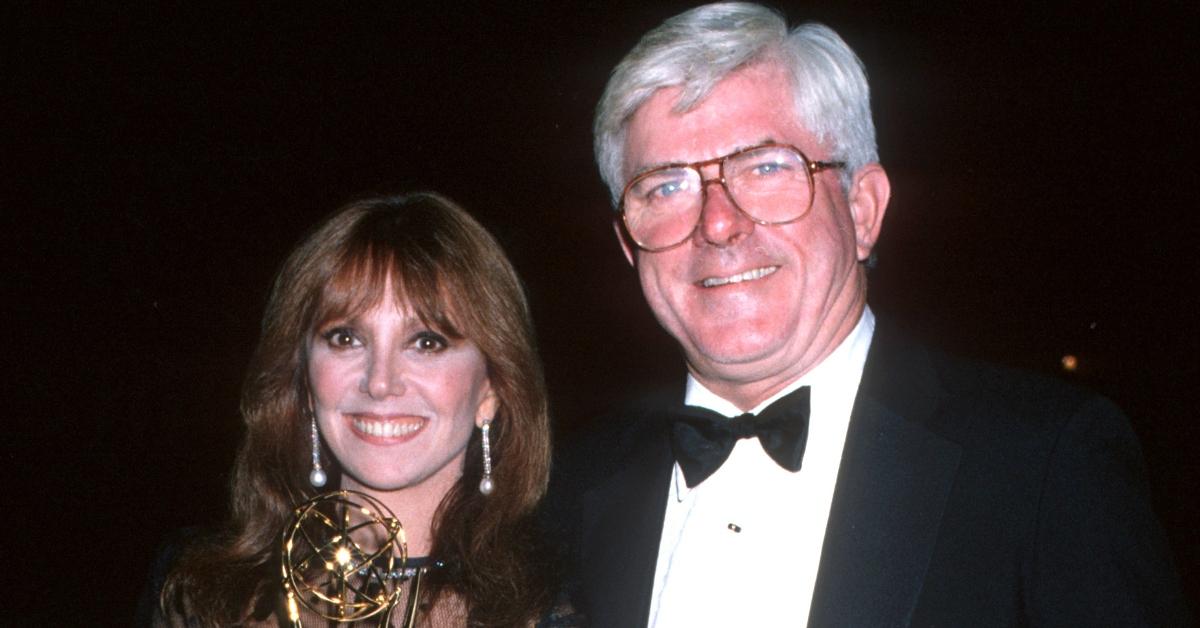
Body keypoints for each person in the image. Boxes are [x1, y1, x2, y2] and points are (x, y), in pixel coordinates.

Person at [550, 3, 1190, 626]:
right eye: (665, 186)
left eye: (767, 167)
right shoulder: (568, 489)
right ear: (628, 244)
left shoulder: (1042, 465)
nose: (717, 223)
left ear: (862, 210)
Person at [145, 193, 580, 626]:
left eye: (426, 342)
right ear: (305, 379)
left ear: (492, 387)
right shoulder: (198, 594)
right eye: (346, 338)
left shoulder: (551, 609)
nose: (380, 382)